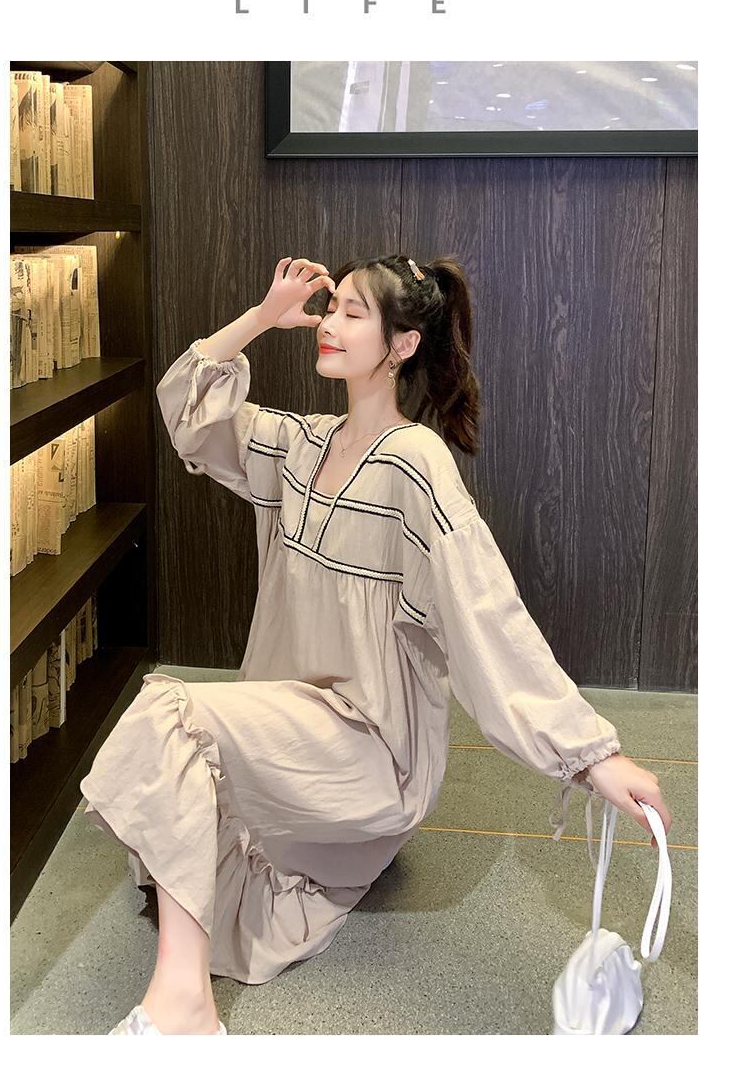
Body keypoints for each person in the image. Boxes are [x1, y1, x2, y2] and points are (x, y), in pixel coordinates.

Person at [79, 253, 671, 1034]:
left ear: (402, 344)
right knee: (164, 731)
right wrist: (261, 316)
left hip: (370, 752)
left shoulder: (417, 464)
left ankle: (182, 1008)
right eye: (331, 309)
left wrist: (591, 755)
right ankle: (184, 1002)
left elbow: (486, 610)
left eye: (352, 312)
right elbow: (186, 406)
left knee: (169, 716)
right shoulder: (299, 445)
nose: (328, 323)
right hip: (297, 730)